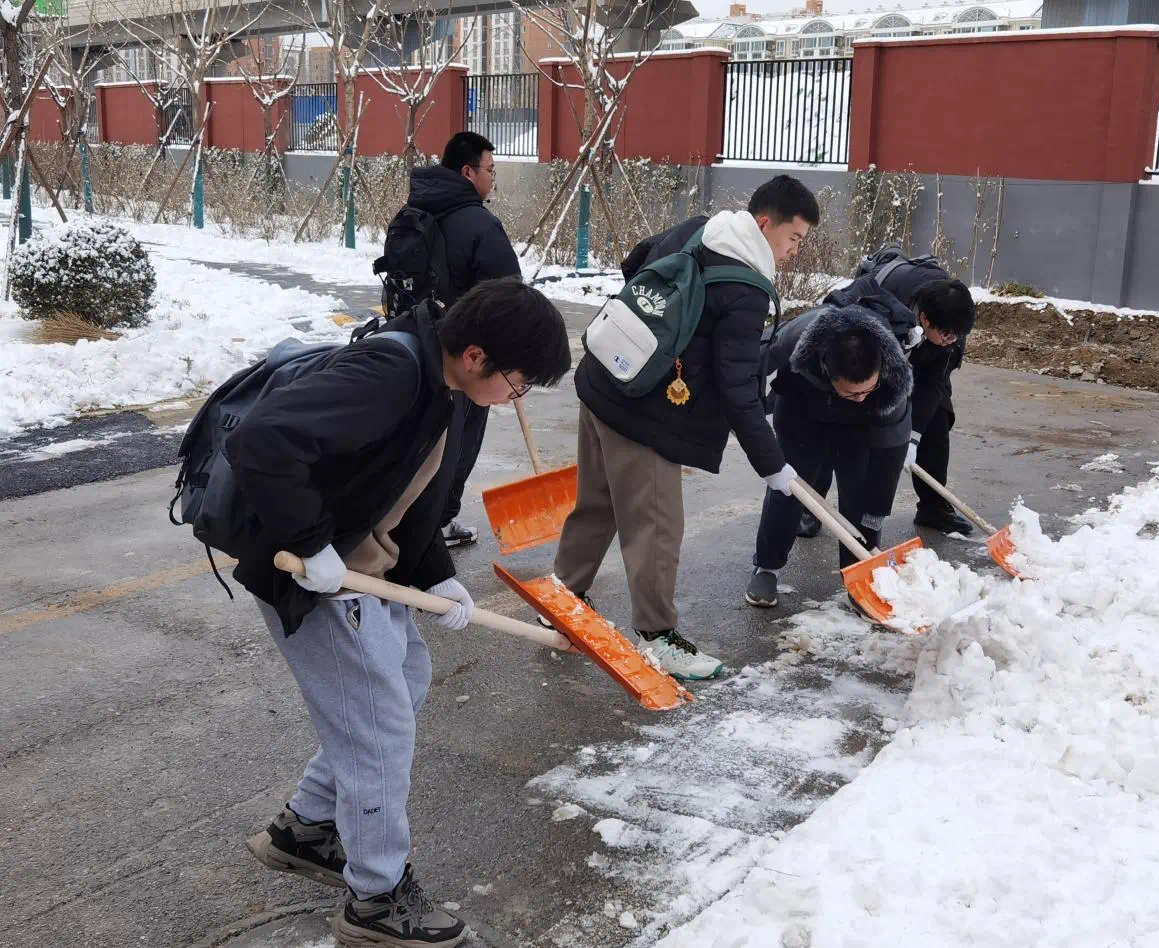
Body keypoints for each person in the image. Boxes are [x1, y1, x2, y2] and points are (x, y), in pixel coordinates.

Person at [231, 279, 571, 948]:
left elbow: (414, 497)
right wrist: (310, 542)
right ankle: (376, 898)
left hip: (367, 570)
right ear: (475, 355)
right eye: (519, 383)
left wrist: (439, 577)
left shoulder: (445, 387)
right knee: (379, 731)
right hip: (319, 576)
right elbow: (262, 440)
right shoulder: (389, 373)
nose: (517, 398)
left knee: (405, 682)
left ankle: (308, 827)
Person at [550, 175, 820, 681]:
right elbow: (737, 386)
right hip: (647, 415)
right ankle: (658, 636)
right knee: (657, 526)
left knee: (599, 502)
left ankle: (564, 596)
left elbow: (636, 263)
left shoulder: (702, 229)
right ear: (765, 224)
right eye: (793, 238)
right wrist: (773, 465)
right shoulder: (746, 287)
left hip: (607, 375)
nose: (793, 252)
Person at [745, 301, 913, 608]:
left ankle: (860, 576)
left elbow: (889, 451)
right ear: (826, 369)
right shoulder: (799, 338)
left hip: (862, 427)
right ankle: (767, 567)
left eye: (867, 390)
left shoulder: (893, 377)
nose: (860, 397)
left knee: (862, 497)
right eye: (851, 392)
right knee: (790, 490)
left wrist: (877, 511)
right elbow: (750, 367)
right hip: (801, 413)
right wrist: (747, 416)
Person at [799, 250, 976, 538]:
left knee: (938, 417)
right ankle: (811, 506)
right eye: (947, 335)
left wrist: (913, 437)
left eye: (957, 336)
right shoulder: (883, 302)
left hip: (917, 346)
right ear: (924, 318)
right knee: (841, 416)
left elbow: (933, 383)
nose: (952, 341)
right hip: (869, 348)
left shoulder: (950, 318)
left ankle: (933, 507)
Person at [401, 131, 522, 549]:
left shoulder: (414, 212)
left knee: (420, 443)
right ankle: (436, 524)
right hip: (467, 360)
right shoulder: (480, 224)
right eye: (490, 170)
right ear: (468, 172)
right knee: (457, 445)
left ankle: (408, 518)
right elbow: (509, 298)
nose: (492, 179)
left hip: (413, 348)